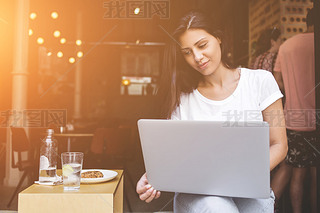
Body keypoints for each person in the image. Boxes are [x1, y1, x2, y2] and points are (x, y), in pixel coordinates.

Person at [136, 10, 287, 212]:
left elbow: (279, 145)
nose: (197, 57)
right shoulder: (182, 99)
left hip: (249, 190)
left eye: (202, 45)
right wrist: (151, 178)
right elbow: (173, 157)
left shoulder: (261, 81)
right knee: (217, 207)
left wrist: (240, 175)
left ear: (218, 38)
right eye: (187, 52)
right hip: (198, 196)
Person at [272, 8, 317, 213]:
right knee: (315, 174)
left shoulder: (286, 46)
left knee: (297, 174)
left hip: (293, 119)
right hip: (316, 120)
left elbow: (278, 82)